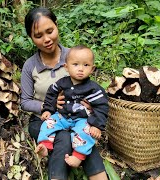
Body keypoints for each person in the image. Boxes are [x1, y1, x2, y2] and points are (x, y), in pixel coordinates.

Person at [20, 7, 108, 180]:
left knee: (83, 133)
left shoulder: (75, 56)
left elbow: (90, 88)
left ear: (57, 26)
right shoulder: (30, 66)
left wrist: (90, 107)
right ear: (31, 38)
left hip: (77, 117)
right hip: (43, 119)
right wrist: (49, 105)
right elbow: (25, 101)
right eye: (38, 36)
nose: (46, 39)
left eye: (50, 31)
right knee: (64, 137)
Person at [35, 45, 109, 169]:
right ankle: (45, 146)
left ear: (92, 69)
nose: (80, 69)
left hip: (82, 119)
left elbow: (101, 107)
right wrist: (48, 109)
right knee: (47, 124)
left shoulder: (93, 89)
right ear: (66, 67)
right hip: (62, 116)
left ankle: (78, 156)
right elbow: (51, 93)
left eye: (86, 65)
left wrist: (97, 125)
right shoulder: (62, 83)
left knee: (86, 132)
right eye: (75, 64)